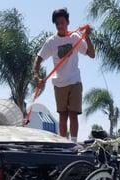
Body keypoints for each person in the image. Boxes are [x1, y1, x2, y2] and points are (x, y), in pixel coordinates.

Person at [33, 8, 95, 142]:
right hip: (59, 83)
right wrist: (37, 77)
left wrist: (87, 36)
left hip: (74, 81)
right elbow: (38, 59)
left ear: (68, 22)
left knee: (73, 114)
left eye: (62, 22)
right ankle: (63, 143)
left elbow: (91, 54)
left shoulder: (74, 37)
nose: (60, 26)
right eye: (57, 24)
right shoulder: (51, 41)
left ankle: (72, 143)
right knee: (62, 115)